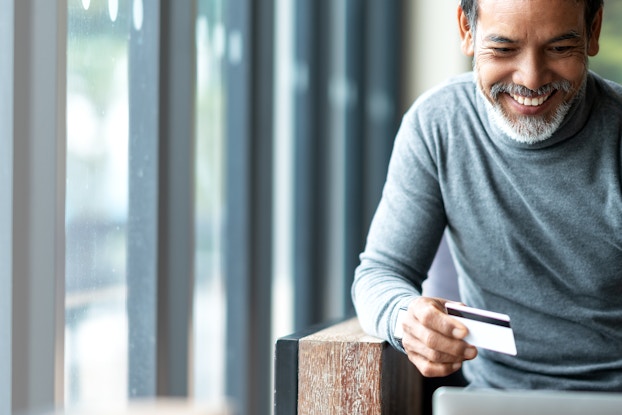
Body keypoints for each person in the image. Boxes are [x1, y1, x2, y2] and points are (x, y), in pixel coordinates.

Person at [352, 0, 622, 391]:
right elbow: (379, 273)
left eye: (560, 48)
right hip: (492, 401)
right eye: (504, 48)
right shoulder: (438, 125)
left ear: (593, 31)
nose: (531, 79)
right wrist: (404, 319)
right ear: (467, 30)